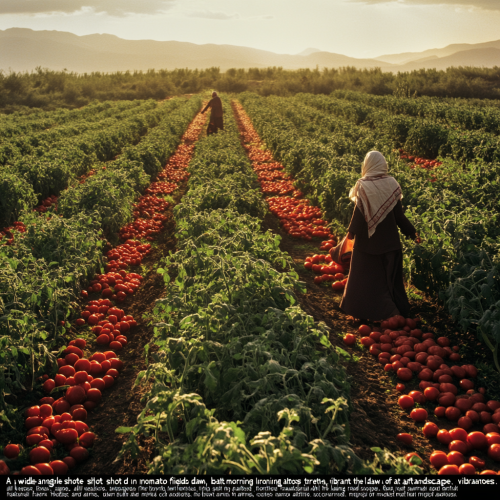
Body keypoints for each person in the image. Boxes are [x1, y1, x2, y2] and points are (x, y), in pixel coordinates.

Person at [340, 151, 419, 321]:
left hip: (367, 244)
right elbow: (399, 216)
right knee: (388, 280)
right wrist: (412, 233)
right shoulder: (392, 184)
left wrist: (351, 233)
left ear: (366, 165)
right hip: (390, 243)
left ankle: (364, 312)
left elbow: (359, 215)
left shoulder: (363, 186)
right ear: (383, 165)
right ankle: (394, 311)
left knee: (363, 279)